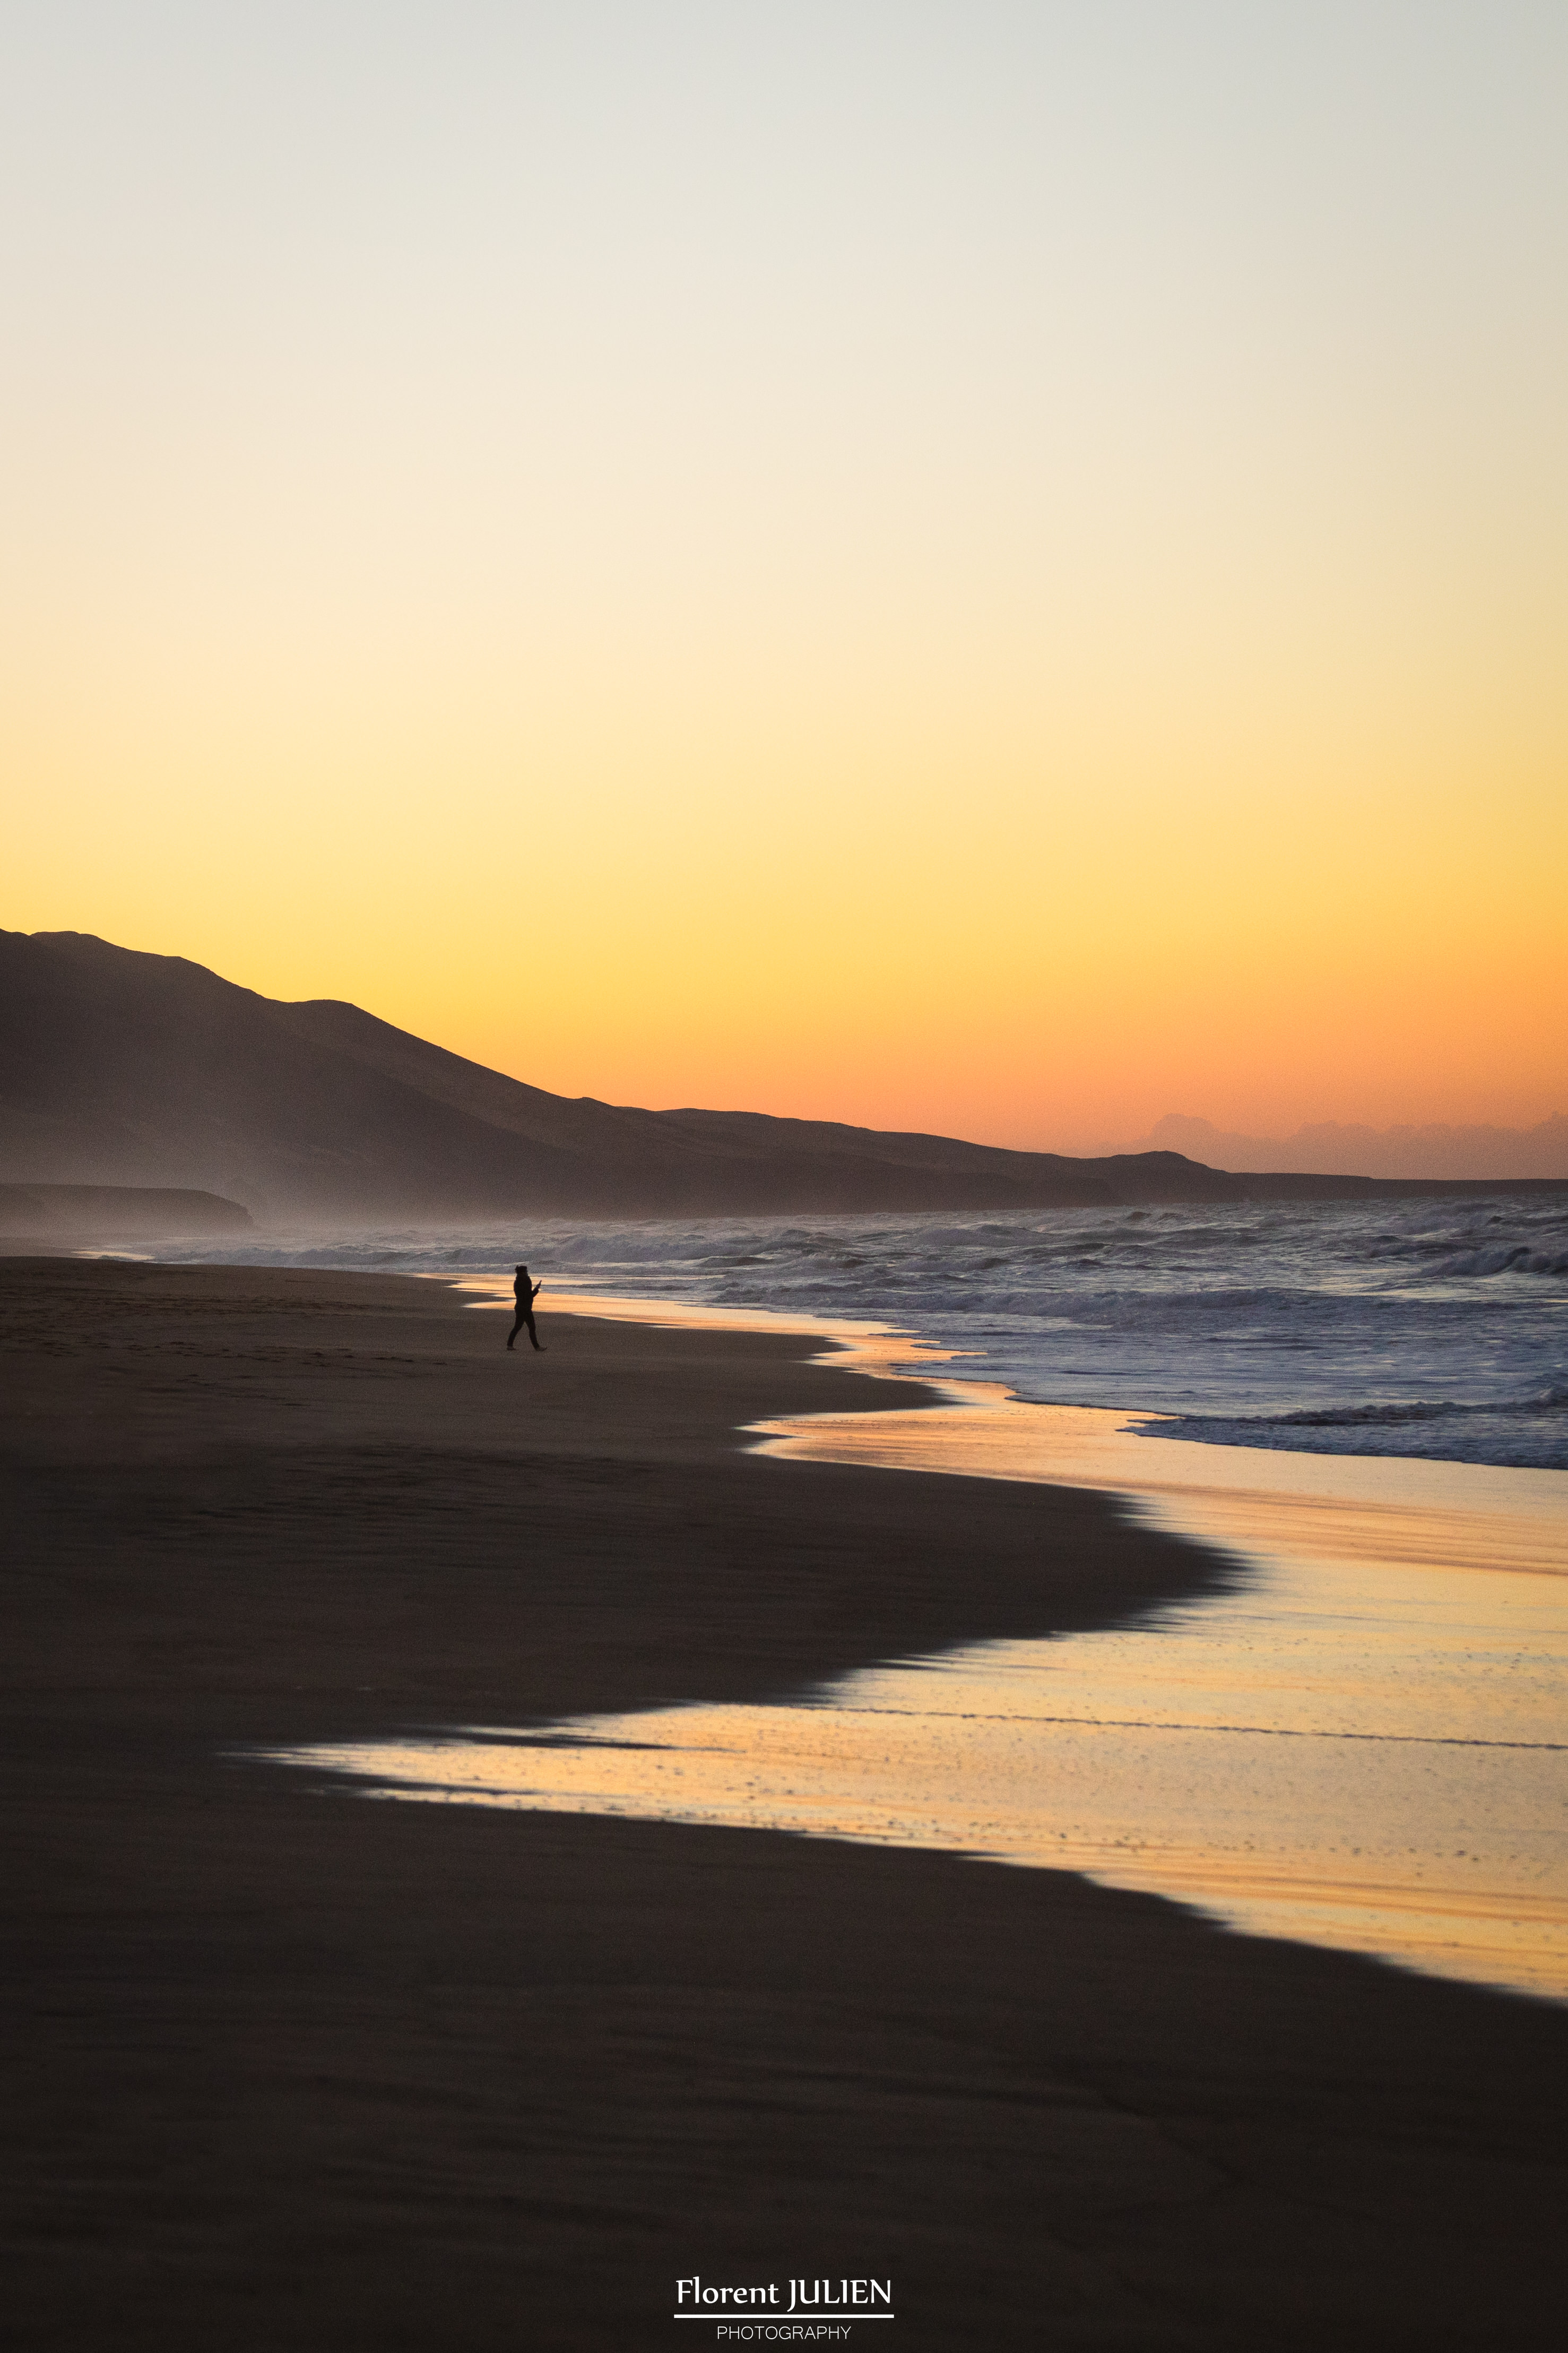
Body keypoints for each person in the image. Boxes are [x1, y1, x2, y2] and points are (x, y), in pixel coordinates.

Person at [506, 1264, 545, 1352]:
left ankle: (510, 1345)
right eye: (527, 1272)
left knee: (517, 1327)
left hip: (519, 1307)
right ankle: (537, 1347)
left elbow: (524, 1295)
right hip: (525, 1308)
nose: (528, 1273)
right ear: (523, 1273)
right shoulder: (526, 1281)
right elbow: (529, 1296)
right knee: (532, 1327)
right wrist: (536, 1289)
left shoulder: (517, 1282)